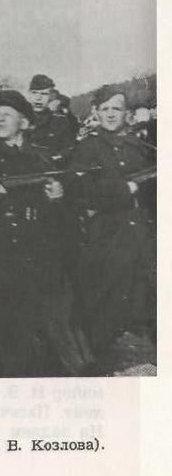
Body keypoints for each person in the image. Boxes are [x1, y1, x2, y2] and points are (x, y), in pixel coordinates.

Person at [0, 90, 93, 377]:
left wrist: (57, 196)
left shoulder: (40, 158)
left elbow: (59, 212)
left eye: (7, 115)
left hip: (35, 249)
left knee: (41, 319)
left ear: (23, 123)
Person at [68, 85, 156, 355]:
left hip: (141, 231)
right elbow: (77, 189)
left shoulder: (139, 146)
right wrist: (123, 190)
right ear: (95, 112)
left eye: (116, 108)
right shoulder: (87, 147)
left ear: (127, 113)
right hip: (107, 236)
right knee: (106, 304)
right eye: (104, 109)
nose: (110, 114)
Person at [26, 74, 76, 166]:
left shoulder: (60, 121)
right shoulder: (21, 118)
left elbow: (68, 150)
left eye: (44, 94)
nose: (38, 98)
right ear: (28, 94)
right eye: (34, 93)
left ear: (51, 96)